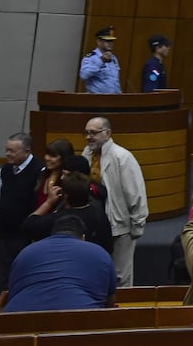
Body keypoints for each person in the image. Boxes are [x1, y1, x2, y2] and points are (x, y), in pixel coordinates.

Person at [82, 116, 148, 286]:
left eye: (94, 133)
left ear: (108, 133)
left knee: (120, 276)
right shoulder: (86, 154)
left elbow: (136, 194)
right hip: (96, 224)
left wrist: (137, 225)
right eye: (87, 133)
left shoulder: (122, 157)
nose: (89, 137)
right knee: (98, 272)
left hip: (120, 226)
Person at [4, 215, 116, 312]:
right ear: (83, 237)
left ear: (52, 234)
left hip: (19, 322)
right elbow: (109, 304)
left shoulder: (26, 252)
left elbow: (12, 293)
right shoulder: (100, 253)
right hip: (79, 321)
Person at [0, 132, 44, 290]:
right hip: (6, 232)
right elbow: (0, 195)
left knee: (23, 270)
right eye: (7, 150)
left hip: (25, 234)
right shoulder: (5, 170)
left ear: (27, 151)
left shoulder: (39, 171)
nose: (8, 154)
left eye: (12, 151)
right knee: (5, 270)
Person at [22, 170, 114, 254]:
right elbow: (108, 246)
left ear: (65, 196)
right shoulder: (100, 214)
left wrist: (48, 202)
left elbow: (28, 225)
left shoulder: (60, 219)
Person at [79, 26, 121, 94]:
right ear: (98, 42)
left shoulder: (113, 58)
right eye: (107, 41)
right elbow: (84, 75)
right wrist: (101, 61)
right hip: (97, 100)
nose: (110, 43)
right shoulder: (91, 57)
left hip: (114, 99)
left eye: (112, 41)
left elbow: (115, 81)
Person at [35, 138, 74, 208]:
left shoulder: (68, 180)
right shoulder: (41, 174)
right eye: (47, 154)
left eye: (53, 156)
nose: (47, 158)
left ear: (64, 158)